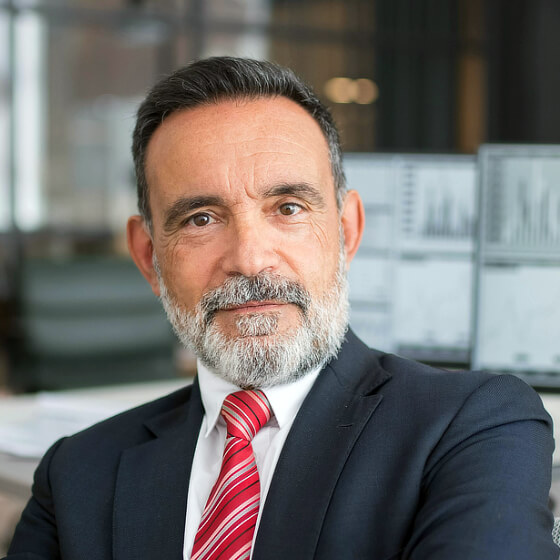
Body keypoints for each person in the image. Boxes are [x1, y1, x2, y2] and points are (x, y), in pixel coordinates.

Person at [4, 57, 557, 560]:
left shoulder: (473, 426)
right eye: (201, 219)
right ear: (149, 258)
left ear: (346, 232)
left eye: (288, 208)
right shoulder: (77, 473)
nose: (250, 260)